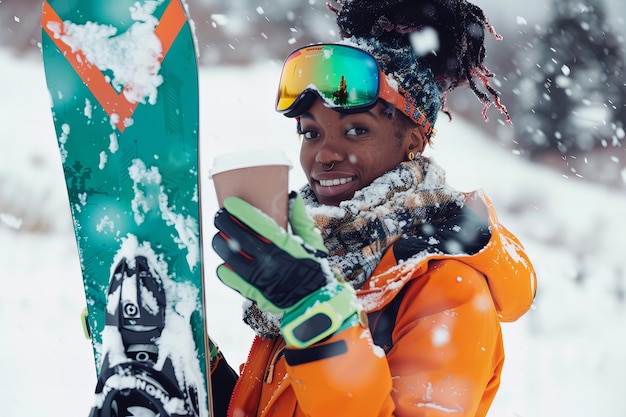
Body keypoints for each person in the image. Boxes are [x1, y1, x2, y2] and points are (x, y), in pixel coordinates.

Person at [209, 1, 537, 416]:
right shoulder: (321, 259)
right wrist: (193, 356)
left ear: (414, 139)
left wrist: (316, 321)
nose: (324, 154)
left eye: (356, 130)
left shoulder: (449, 286)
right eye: (310, 132)